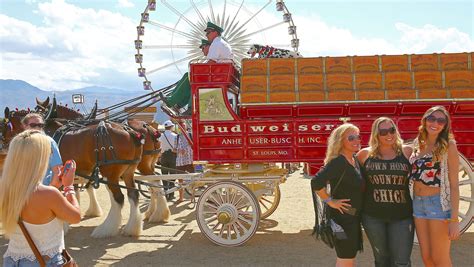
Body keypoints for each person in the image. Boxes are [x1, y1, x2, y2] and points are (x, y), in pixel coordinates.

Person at [0, 130, 81, 266]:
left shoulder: (5, 189)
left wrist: (54, 185)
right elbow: (76, 217)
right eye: (48, 154)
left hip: (12, 260)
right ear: (38, 158)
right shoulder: (49, 195)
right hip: (46, 260)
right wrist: (68, 187)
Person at [356, 117, 414, 267]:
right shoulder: (364, 155)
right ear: (376, 134)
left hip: (402, 216)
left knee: (402, 261)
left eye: (392, 130)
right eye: (383, 132)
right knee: (382, 260)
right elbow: (349, 175)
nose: (389, 134)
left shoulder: (407, 152)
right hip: (373, 217)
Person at [409, 106, 460, 266]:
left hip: (437, 204)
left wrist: (454, 219)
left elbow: (454, 186)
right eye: (431, 119)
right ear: (424, 121)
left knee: (440, 259)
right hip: (418, 204)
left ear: (445, 125)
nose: (435, 123)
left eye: (441, 121)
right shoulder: (418, 144)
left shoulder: (448, 146)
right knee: (427, 258)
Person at [311, 123, 364, 267]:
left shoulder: (354, 160)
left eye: (358, 137)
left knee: (348, 256)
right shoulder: (338, 162)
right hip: (340, 221)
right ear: (340, 141)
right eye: (351, 138)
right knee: (345, 257)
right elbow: (316, 183)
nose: (356, 141)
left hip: (351, 218)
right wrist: (330, 201)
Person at [21, 113, 62, 187]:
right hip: (21, 191)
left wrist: (49, 191)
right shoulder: (19, 143)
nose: (37, 128)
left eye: (40, 125)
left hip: (42, 189)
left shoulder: (49, 142)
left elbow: (57, 171)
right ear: (25, 126)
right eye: (33, 125)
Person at [175, 122, 194, 203]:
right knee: (180, 180)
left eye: (183, 126)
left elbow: (195, 146)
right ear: (179, 128)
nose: (182, 127)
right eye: (181, 126)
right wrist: (179, 150)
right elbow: (174, 149)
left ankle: (192, 198)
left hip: (190, 160)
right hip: (180, 161)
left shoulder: (190, 135)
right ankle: (181, 198)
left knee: (193, 180)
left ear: (186, 127)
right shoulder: (177, 137)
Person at [159, 120, 178, 201]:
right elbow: (176, 147)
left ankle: (165, 193)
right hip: (172, 156)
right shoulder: (175, 136)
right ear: (171, 127)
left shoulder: (161, 136)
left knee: (164, 176)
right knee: (173, 176)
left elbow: (159, 147)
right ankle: (171, 194)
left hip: (163, 156)